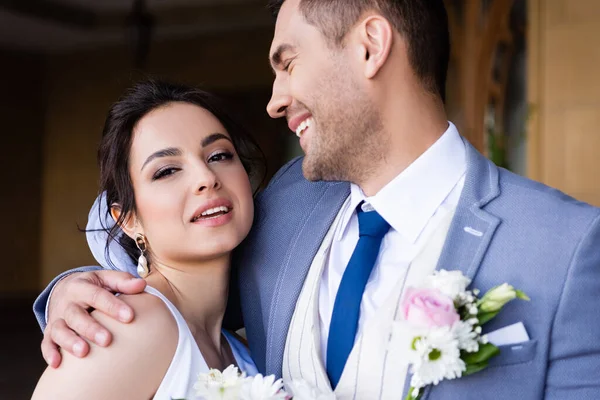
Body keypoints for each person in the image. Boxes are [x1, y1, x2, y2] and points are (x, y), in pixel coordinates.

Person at [35, 0, 600, 398]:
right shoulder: (286, 208)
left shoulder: (567, 246)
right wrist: (75, 293)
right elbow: (173, 289)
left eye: (287, 62)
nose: (275, 101)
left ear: (370, 46)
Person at [32, 80, 261, 399]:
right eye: (166, 171)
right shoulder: (132, 326)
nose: (206, 179)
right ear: (129, 220)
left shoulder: (239, 347)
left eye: (219, 155)